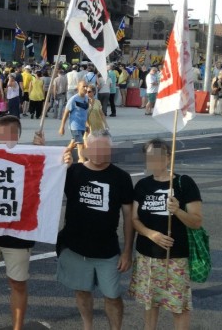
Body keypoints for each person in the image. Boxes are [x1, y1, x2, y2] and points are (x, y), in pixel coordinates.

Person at [0, 116, 71, 330]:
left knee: (17, 284)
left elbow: (49, 178)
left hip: (18, 236)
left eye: (7, 134)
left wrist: (47, 154)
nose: (2, 139)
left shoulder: (30, 157)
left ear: (17, 135)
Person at [56, 129, 134, 330]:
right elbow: (42, 180)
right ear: (87, 148)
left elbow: (128, 218)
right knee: (82, 291)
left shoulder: (122, 178)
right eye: (95, 147)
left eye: (104, 148)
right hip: (75, 247)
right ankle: (87, 326)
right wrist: (46, 152)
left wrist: (126, 252)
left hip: (107, 250)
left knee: (113, 296)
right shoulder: (73, 172)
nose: (99, 152)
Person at [128, 138, 203, 330]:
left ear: (169, 158)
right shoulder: (142, 185)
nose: (154, 161)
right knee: (150, 304)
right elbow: (134, 220)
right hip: (147, 257)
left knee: (179, 308)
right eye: (149, 157)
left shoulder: (183, 183)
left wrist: (177, 210)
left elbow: (196, 222)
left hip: (175, 258)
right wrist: (151, 234)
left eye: (158, 157)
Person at [59, 81, 89, 163]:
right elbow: (65, 113)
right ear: (78, 87)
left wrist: (87, 125)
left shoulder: (86, 99)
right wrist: (62, 127)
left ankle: (61, 156)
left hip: (82, 126)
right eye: (83, 86)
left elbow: (85, 112)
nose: (86, 88)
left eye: (86, 86)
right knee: (80, 144)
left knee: (73, 143)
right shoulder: (73, 99)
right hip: (75, 126)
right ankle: (82, 162)